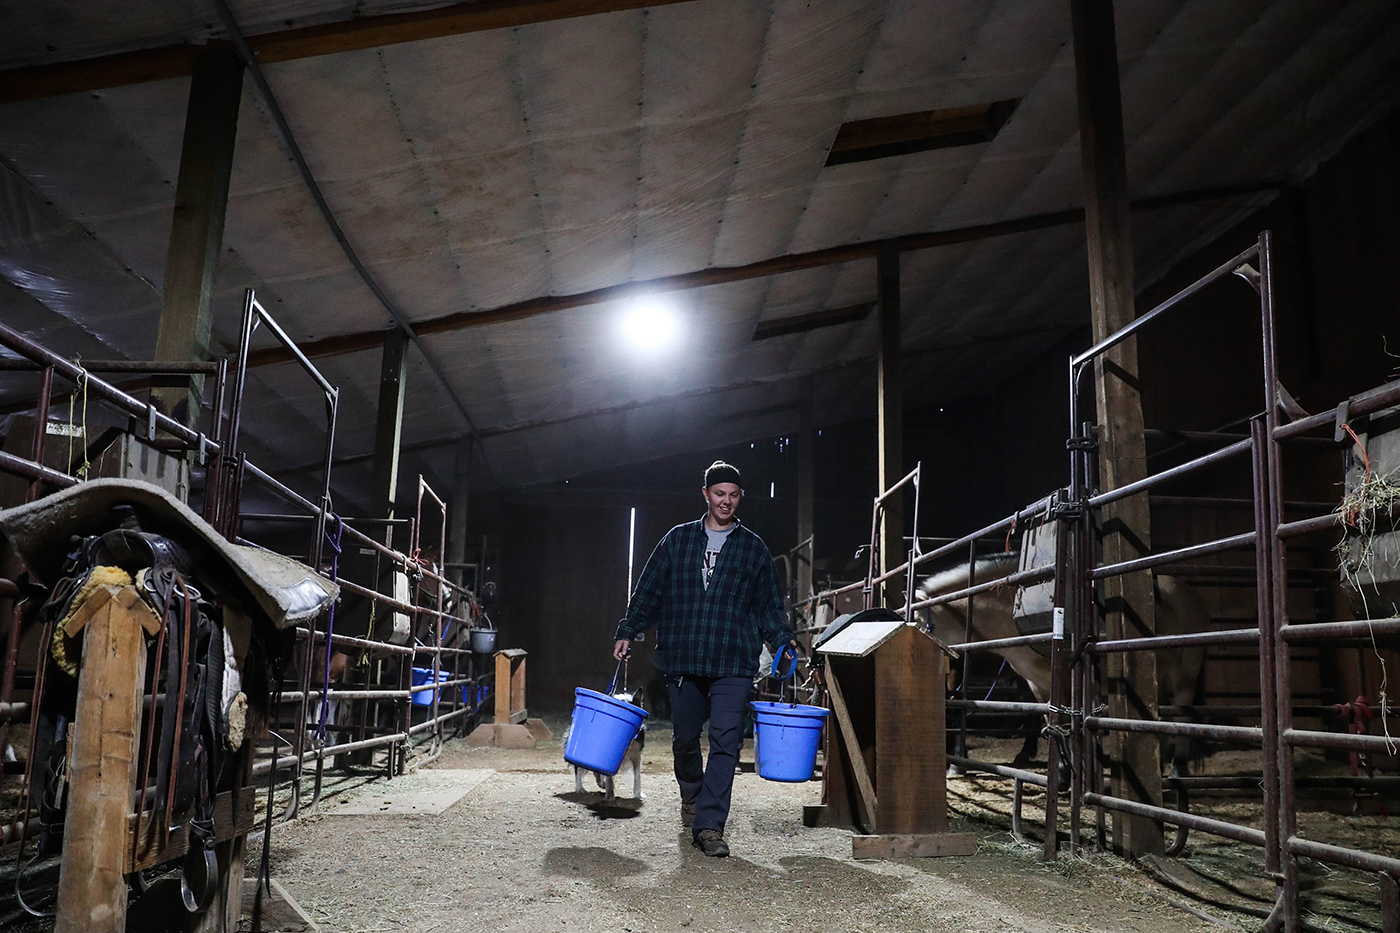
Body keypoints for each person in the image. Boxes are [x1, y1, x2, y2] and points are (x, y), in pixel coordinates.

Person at [613, 460, 796, 858]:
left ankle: (710, 825)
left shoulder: (753, 548)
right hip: (683, 656)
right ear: (706, 495)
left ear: (739, 497)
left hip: (733, 658)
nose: (726, 501)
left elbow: (767, 606)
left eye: (733, 495)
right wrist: (629, 628)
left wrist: (783, 640)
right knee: (683, 740)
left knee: (727, 741)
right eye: (719, 494)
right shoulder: (677, 541)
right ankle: (692, 797)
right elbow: (649, 591)